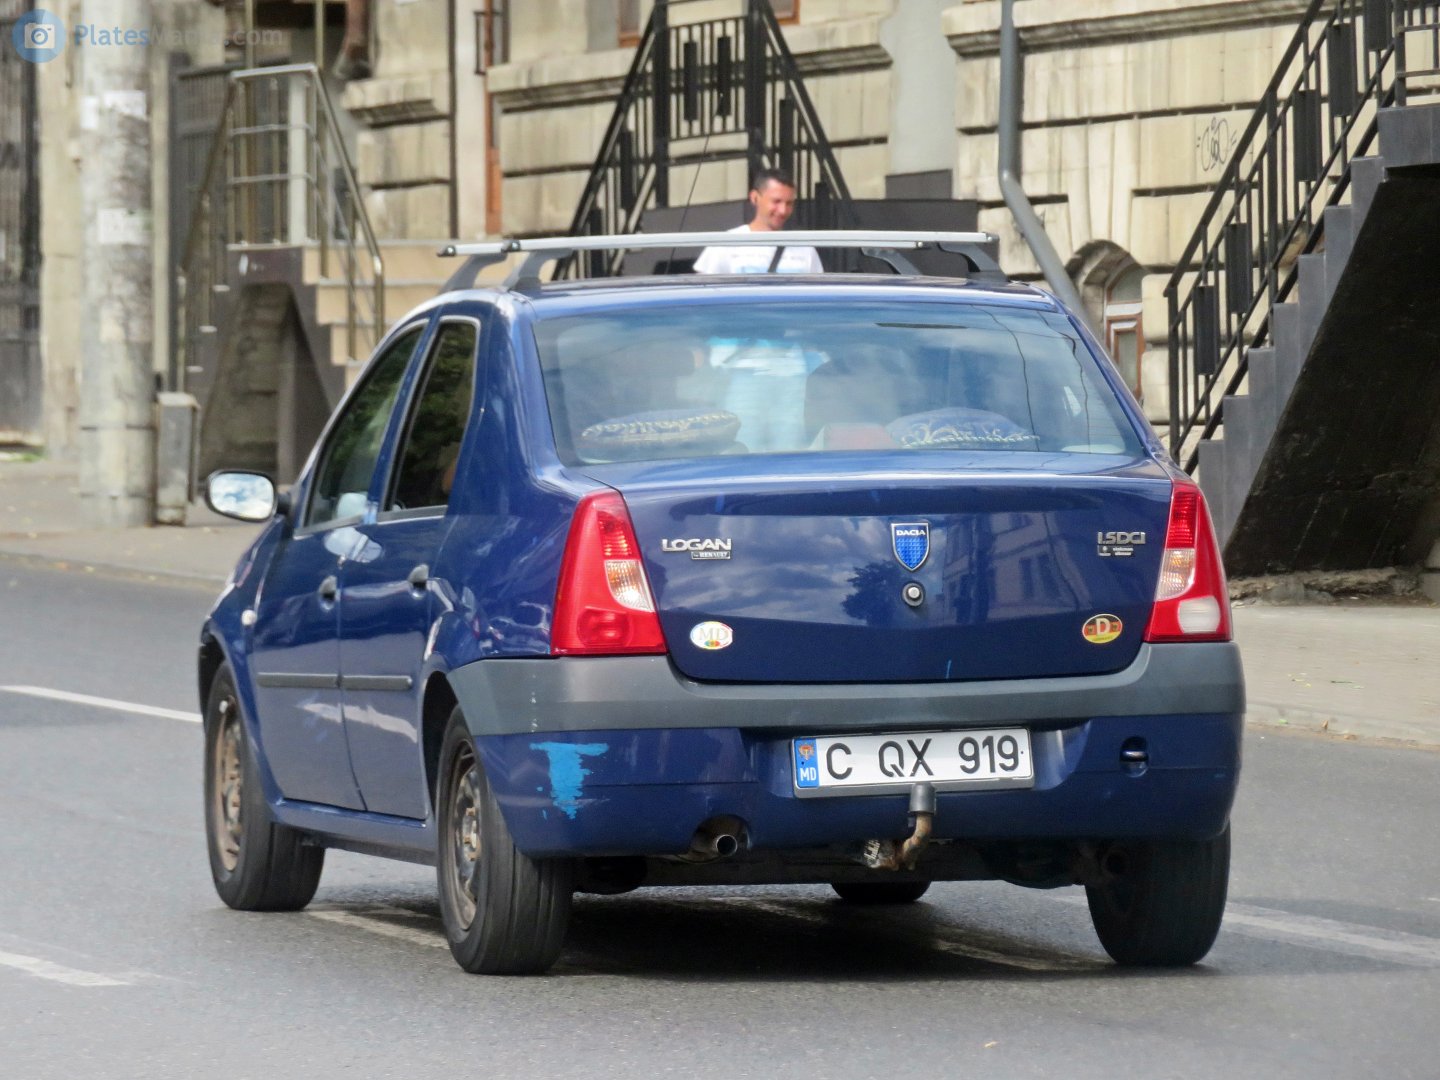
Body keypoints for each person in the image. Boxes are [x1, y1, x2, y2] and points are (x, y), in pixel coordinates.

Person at [692, 168, 824, 275]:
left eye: (789, 203)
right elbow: (703, 296)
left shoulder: (805, 250)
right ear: (754, 198)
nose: (783, 210)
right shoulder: (726, 244)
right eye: (776, 201)